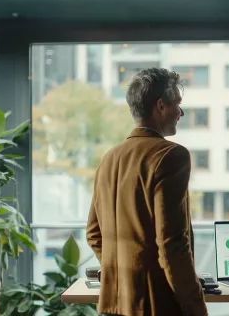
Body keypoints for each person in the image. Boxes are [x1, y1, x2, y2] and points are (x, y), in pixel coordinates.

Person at [86, 67, 208, 316]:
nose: (181, 112)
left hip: (114, 305)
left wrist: (124, 274)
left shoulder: (109, 158)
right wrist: (196, 307)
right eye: (177, 104)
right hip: (156, 305)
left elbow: (94, 233)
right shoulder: (170, 156)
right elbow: (171, 243)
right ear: (161, 106)